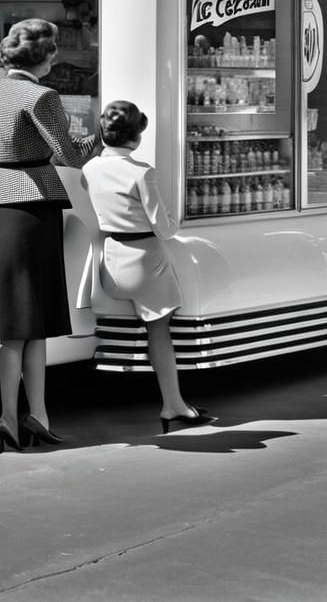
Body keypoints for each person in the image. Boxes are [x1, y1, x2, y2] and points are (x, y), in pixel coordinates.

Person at [0, 18, 97, 452]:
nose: (56, 56)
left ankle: (13, 417)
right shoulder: (43, 95)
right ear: (42, 56)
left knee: (14, 326)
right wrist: (95, 140)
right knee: (35, 319)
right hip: (35, 207)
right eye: (54, 49)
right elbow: (66, 153)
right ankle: (36, 413)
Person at [80, 100, 214, 434]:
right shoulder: (142, 172)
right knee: (159, 329)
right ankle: (173, 404)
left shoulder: (90, 168)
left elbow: (89, 189)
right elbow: (165, 229)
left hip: (110, 262)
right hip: (145, 262)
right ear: (137, 137)